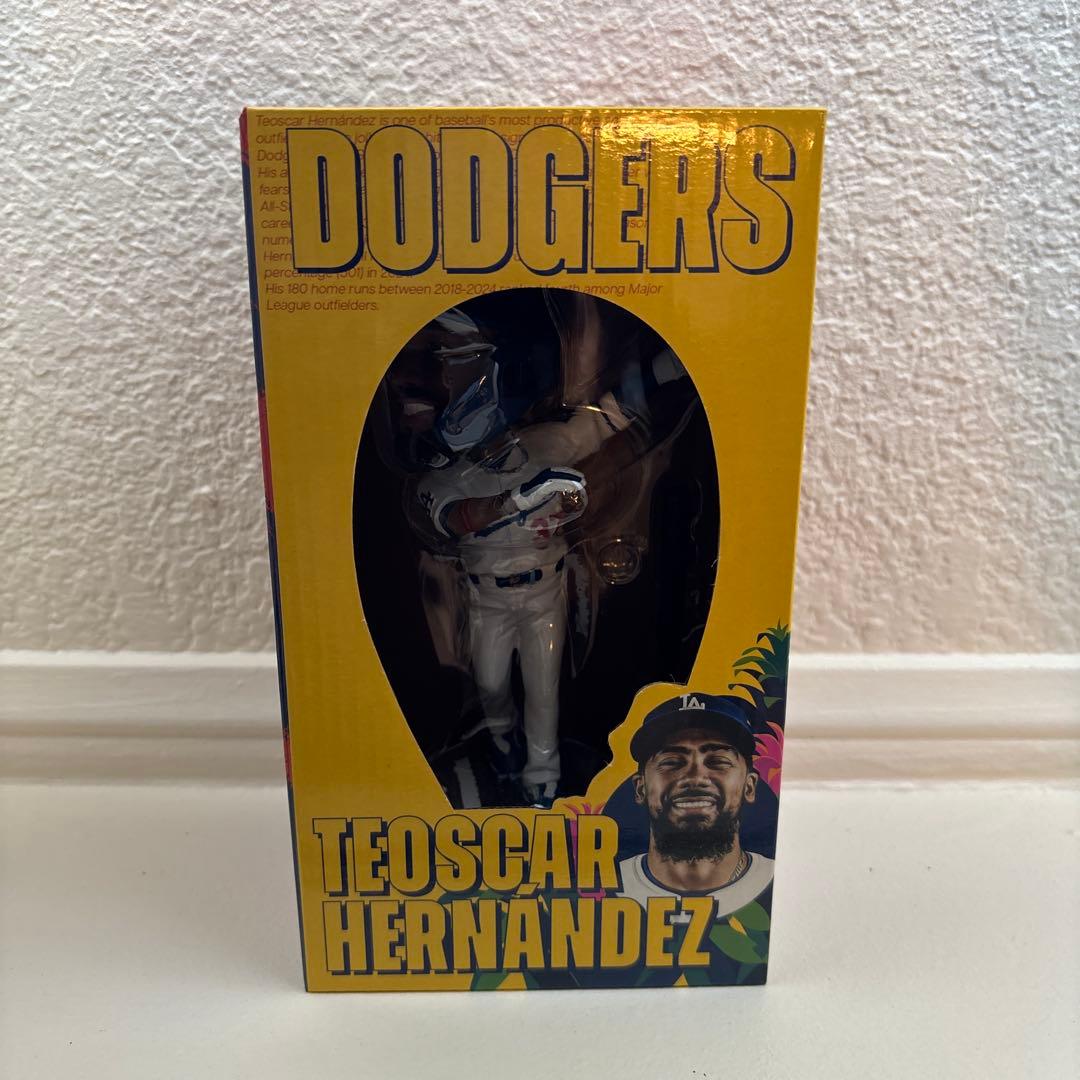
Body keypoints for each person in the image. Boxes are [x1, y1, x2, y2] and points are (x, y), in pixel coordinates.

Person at [617, 692, 774, 918]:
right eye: (671, 762)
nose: (695, 777)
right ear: (640, 788)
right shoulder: (606, 888)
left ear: (749, 786)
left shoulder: (780, 884)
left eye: (718, 761)